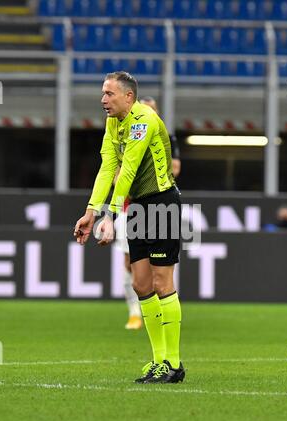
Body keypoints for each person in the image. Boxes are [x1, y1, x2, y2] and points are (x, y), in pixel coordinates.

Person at [74, 71, 185, 384]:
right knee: (140, 284)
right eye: (103, 93)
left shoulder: (143, 120)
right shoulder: (114, 122)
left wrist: (110, 214)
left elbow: (130, 168)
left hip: (162, 203)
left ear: (128, 97)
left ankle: (173, 364)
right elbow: (108, 166)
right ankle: (158, 360)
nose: (103, 100)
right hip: (137, 207)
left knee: (163, 282)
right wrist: (91, 212)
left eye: (109, 94)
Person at [117, 96, 182, 331]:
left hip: (160, 202)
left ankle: (170, 352)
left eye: (152, 110)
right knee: (134, 271)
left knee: (162, 274)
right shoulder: (123, 132)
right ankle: (135, 312)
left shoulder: (164, 136)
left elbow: (174, 168)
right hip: (130, 208)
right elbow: (116, 171)